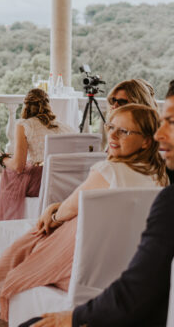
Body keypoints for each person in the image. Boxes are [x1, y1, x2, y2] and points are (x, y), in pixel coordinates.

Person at [0, 104, 167, 322]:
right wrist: (56, 212)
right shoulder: (160, 177)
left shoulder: (109, 171)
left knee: (43, 229)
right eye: (111, 127)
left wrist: (53, 215)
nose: (113, 135)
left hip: (84, 263)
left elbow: (69, 208)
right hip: (125, 262)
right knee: (50, 225)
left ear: (147, 140)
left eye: (124, 131)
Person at [21, 81, 174, 327]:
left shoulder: (165, 197)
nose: (160, 134)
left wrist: (73, 317)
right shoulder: (160, 175)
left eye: (172, 122)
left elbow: (138, 290)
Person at [0, 89, 75, 221]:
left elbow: (18, 166)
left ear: (26, 105)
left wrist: (0, 158)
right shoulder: (64, 127)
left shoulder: (24, 125)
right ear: (48, 105)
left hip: (42, 181)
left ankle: (9, 221)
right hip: (65, 180)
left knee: (9, 173)